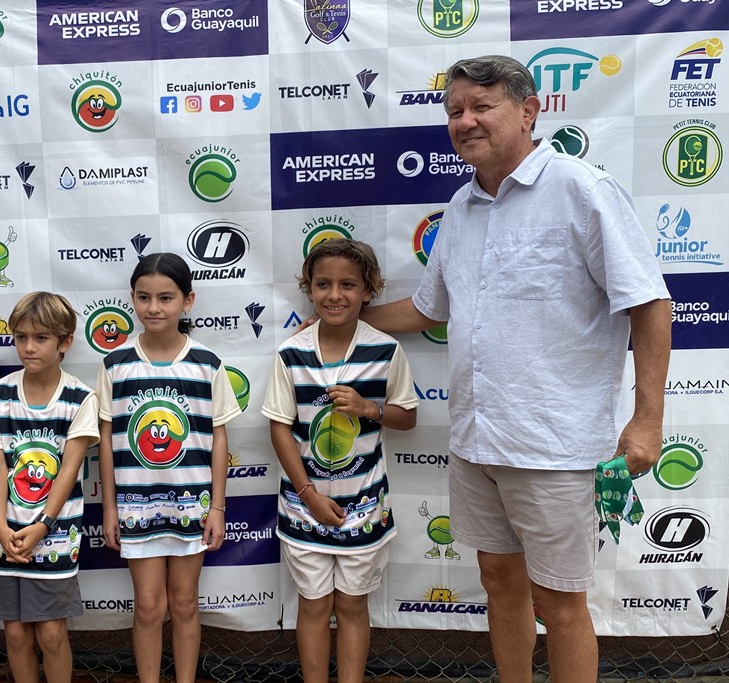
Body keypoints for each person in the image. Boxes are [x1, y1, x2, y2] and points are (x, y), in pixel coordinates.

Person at [361, 55, 672, 683]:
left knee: (560, 604)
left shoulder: (582, 189)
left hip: (554, 446)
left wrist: (647, 419)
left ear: (529, 111)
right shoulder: (461, 206)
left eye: (482, 106)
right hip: (476, 441)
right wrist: (343, 318)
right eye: (455, 110)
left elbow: (648, 302)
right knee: (498, 581)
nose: (465, 121)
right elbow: (428, 309)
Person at [262, 238, 418, 683]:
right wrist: (308, 494)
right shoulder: (290, 353)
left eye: (348, 284)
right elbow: (279, 427)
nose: (334, 295)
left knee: (352, 605)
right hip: (304, 506)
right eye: (323, 284)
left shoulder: (385, 350)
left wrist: (369, 409)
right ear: (309, 289)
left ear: (368, 291)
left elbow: (407, 417)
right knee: (313, 605)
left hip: (364, 506)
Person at [97, 253, 241, 683]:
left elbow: (219, 438)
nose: (154, 307)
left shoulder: (208, 364)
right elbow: (106, 441)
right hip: (135, 507)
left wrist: (217, 508)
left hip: (191, 505)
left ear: (187, 300)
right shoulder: (115, 365)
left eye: (166, 297)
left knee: (184, 604)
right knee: (148, 607)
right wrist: (110, 508)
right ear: (132, 299)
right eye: (144, 297)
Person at [0, 291, 99, 683]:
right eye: (21, 337)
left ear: (65, 342)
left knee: (52, 634)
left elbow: (69, 470)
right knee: (15, 633)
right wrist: (1, 526)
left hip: (54, 534)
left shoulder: (80, 399)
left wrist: (42, 525)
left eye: (41, 338)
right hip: (4, 534)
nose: (28, 347)